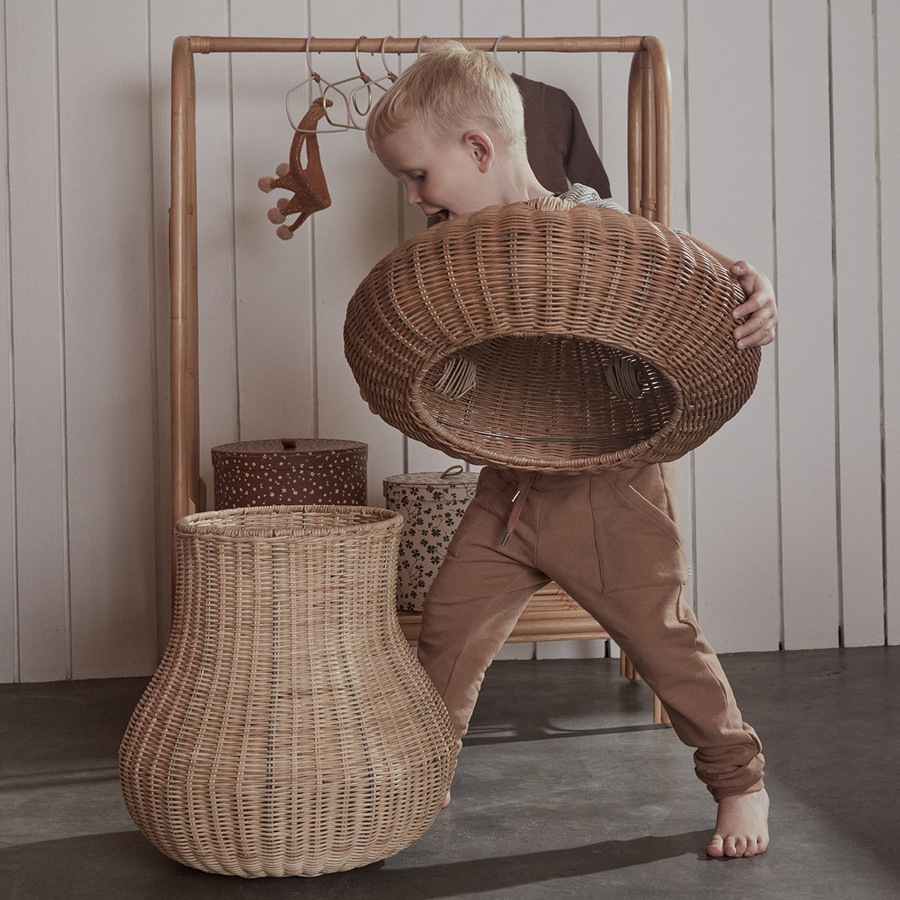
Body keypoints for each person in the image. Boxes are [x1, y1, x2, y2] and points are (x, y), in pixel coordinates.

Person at [364, 42, 777, 860]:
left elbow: (689, 275)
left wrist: (755, 289)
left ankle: (740, 780)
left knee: (662, 640)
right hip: (510, 489)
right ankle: (420, 777)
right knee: (448, 631)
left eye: (418, 176)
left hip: (607, 489)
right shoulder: (454, 256)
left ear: (479, 150)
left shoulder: (598, 230)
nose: (414, 198)